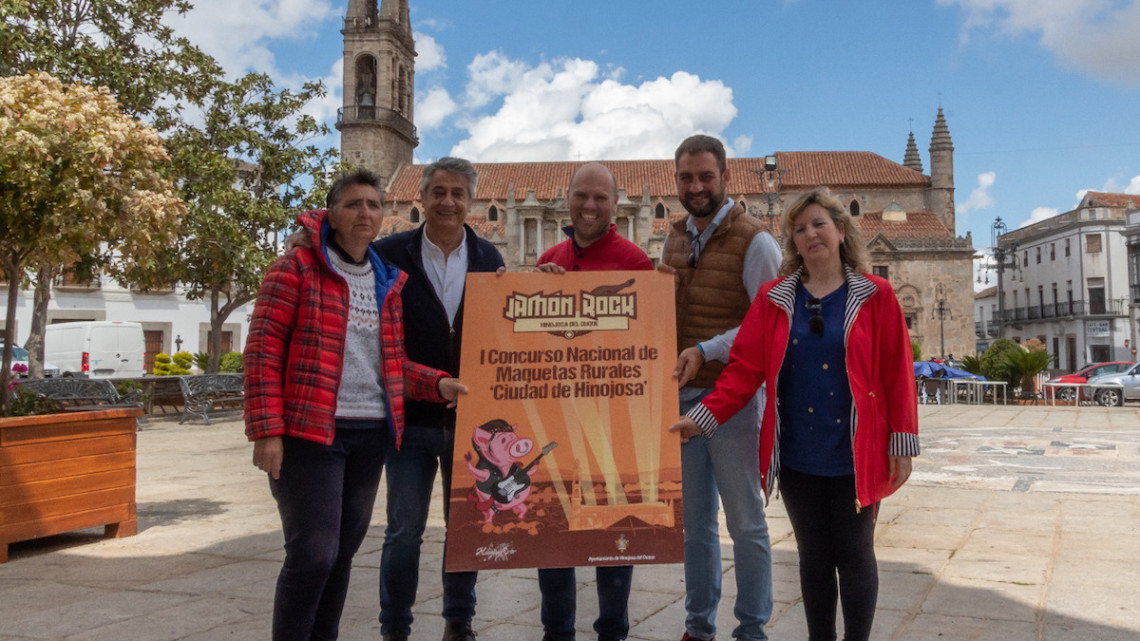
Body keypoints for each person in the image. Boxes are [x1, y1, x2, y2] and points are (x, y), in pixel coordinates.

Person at [671, 187, 919, 641]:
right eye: (800, 229)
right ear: (793, 241)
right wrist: (702, 418)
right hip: (799, 453)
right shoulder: (774, 298)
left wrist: (901, 442)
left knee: (855, 553)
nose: (810, 234)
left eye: (819, 224)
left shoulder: (876, 295)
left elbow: (896, 373)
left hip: (854, 448)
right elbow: (744, 369)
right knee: (813, 557)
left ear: (841, 231)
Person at [244, 169, 467, 641]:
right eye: (352, 204)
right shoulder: (296, 269)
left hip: (369, 435)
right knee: (313, 554)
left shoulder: (385, 279)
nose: (364, 213)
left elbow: (391, 364)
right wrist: (266, 430)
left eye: (372, 204)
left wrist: (438, 383)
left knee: (342, 552)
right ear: (332, 213)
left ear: (383, 213)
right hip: (312, 432)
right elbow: (263, 351)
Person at [376, 157, 505, 641]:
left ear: (471, 202)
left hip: (470, 420)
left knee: (465, 527)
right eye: (439, 192)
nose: (448, 202)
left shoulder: (490, 258)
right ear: (422, 198)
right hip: (411, 418)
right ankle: (395, 626)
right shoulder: (388, 254)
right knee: (403, 531)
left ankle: (459, 621)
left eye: (458, 194)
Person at [662, 135, 781, 641]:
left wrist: (707, 349)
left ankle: (751, 629)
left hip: (733, 401)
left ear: (725, 177)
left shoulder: (757, 241)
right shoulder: (672, 238)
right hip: (680, 400)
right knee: (694, 527)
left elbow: (768, 321)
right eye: (687, 177)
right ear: (677, 181)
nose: (696, 186)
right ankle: (698, 627)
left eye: (706, 176)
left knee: (746, 524)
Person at [533, 162, 653, 641]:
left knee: (614, 539)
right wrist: (532, 289)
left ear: (615, 205)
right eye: (581, 196)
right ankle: (556, 631)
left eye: (600, 198)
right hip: (558, 421)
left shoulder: (635, 262)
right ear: (567, 200)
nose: (589, 206)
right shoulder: (549, 255)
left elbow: (645, 341)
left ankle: (612, 632)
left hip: (614, 425)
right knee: (552, 539)